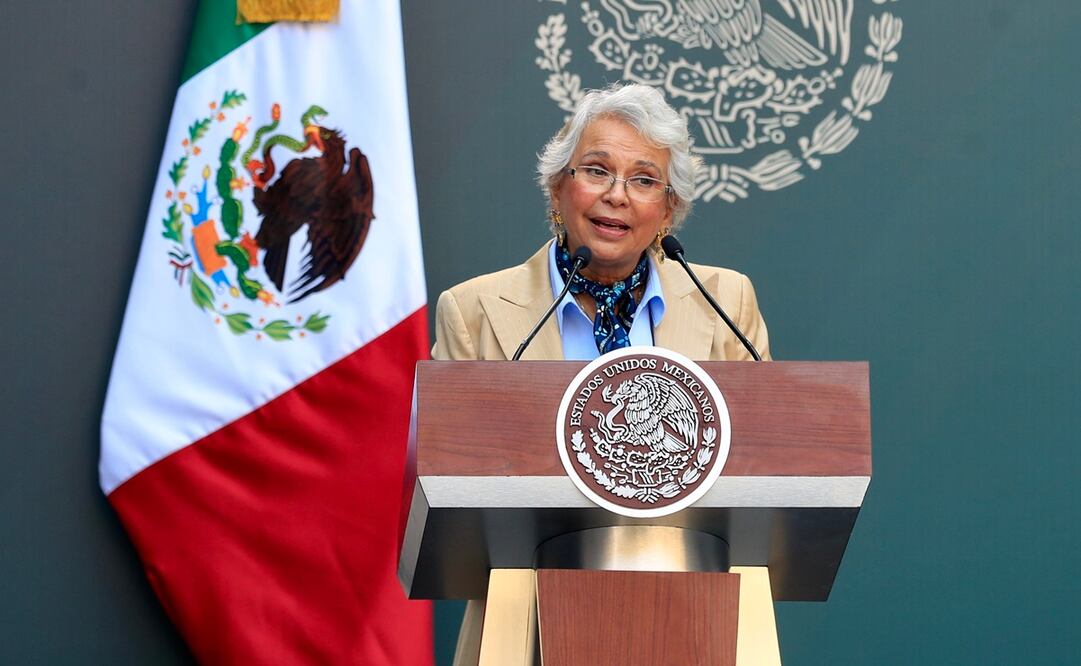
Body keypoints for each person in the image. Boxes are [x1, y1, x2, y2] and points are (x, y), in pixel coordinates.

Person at [433, 83, 769, 363]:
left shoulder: (728, 302)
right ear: (556, 188)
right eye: (597, 171)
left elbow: (762, 435)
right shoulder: (470, 312)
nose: (616, 195)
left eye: (643, 180)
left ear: (669, 209)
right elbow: (453, 443)